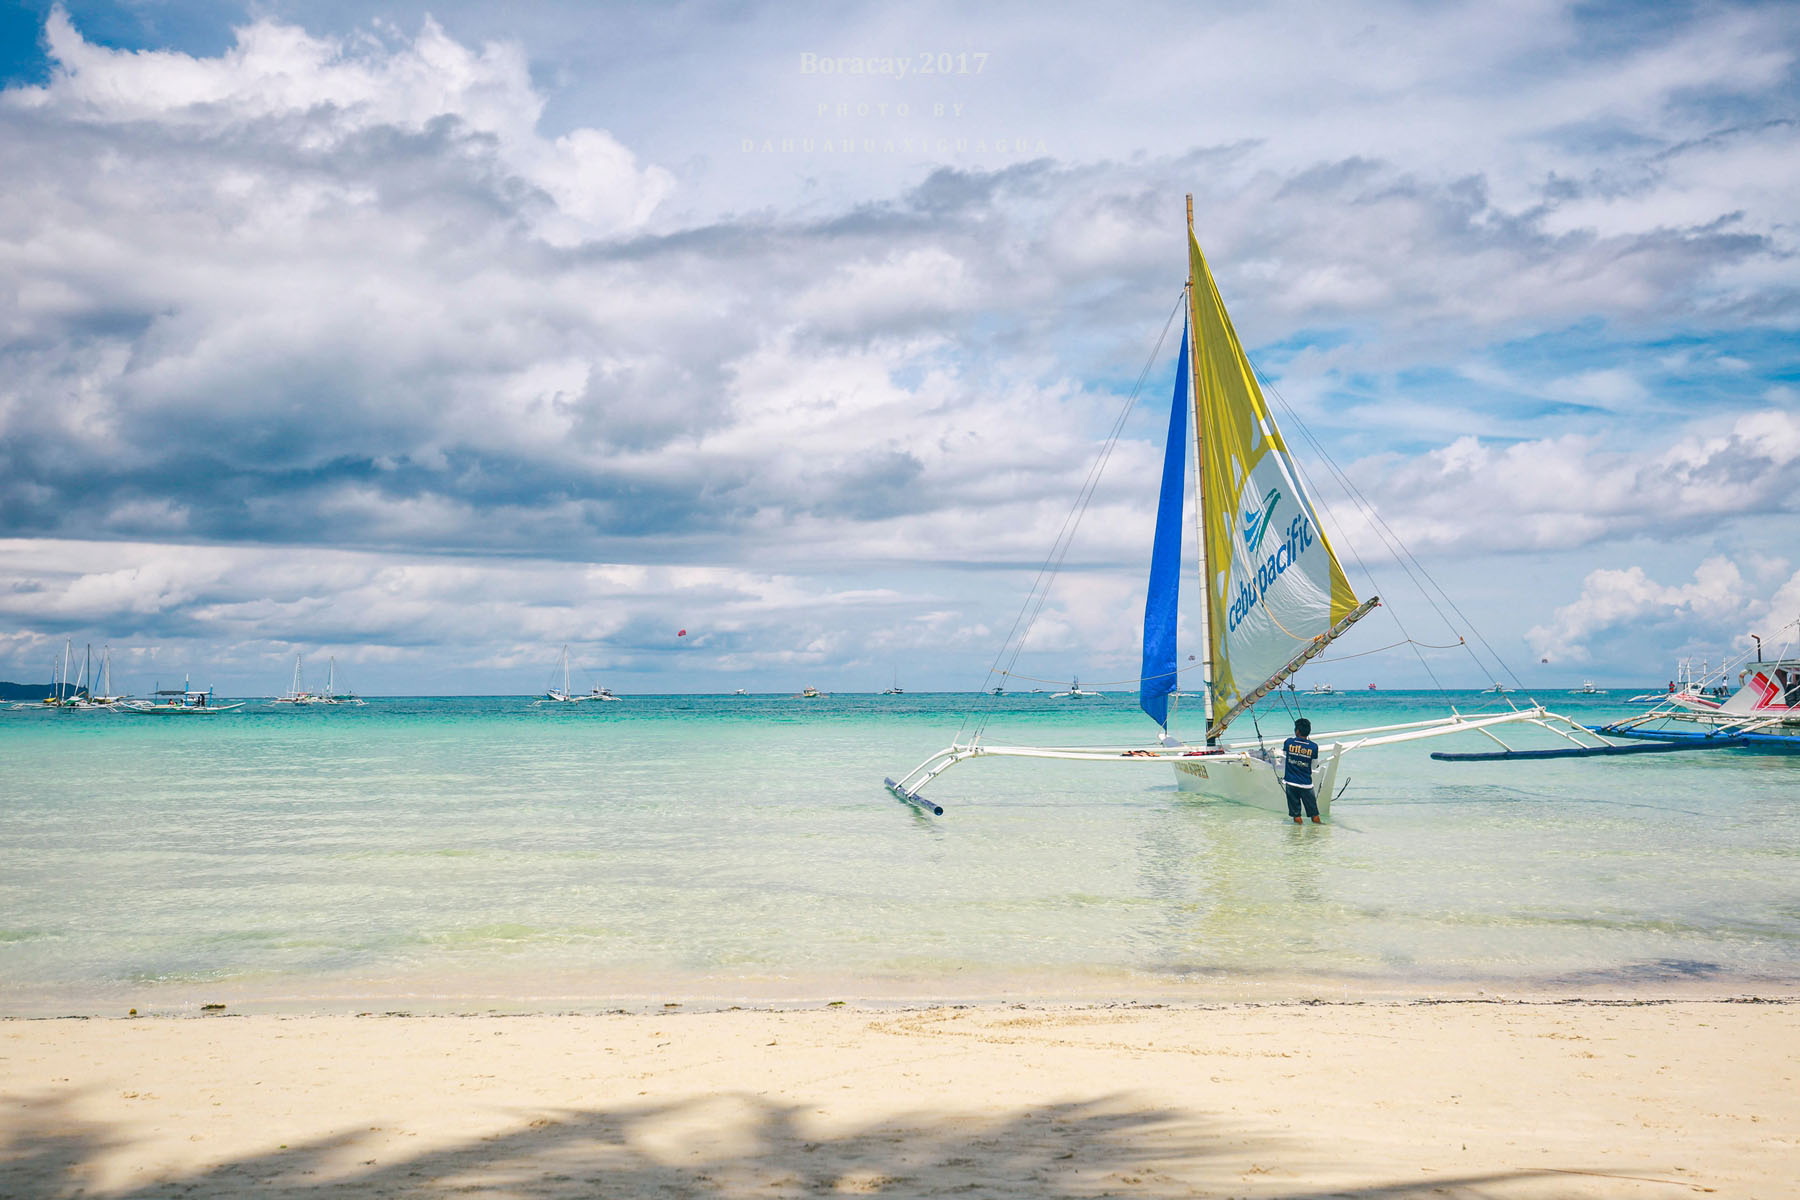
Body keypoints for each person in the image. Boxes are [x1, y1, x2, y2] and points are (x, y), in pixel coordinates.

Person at [1281, 718, 1321, 824]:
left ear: (1297, 731)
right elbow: (1314, 765)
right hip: (1306, 784)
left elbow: (1284, 757)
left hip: (1291, 783)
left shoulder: (1288, 742)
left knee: (1296, 815)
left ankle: (1297, 837)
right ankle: (1320, 833)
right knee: (1314, 814)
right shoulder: (1313, 746)